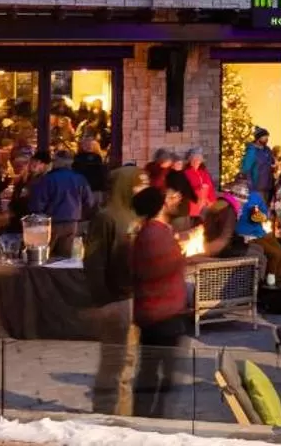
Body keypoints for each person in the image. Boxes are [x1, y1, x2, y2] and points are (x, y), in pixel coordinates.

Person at [83, 166, 141, 415]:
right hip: (116, 301)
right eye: (138, 185)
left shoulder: (135, 215)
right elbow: (94, 262)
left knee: (126, 365)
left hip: (133, 300)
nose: (142, 189)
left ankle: (122, 417)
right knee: (116, 366)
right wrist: (102, 301)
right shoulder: (107, 217)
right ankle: (109, 417)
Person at [129, 183, 190, 418]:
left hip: (162, 310)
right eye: (168, 198)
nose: (173, 201)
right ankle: (150, 418)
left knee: (158, 371)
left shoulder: (155, 231)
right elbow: (156, 269)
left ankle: (152, 416)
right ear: (159, 206)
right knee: (157, 371)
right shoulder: (153, 234)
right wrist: (181, 257)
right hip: (161, 313)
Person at [26, 150, 92, 257]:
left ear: (57, 162)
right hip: (72, 222)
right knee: (65, 257)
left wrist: (37, 217)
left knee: (46, 256)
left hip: (51, 222)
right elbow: (89, 201)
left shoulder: (48, 179)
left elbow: (37, 204)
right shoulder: (79, 179)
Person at [239, 128, 274, 203]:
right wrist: (251, 186)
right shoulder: (252, 151)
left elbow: (271, 162)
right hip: (257, 187)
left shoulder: (267, 149)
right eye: (264, 137)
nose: (267, 139)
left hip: (268, 186)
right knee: (260, 210)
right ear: (258, 138)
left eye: (267, 137)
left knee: (265, 208)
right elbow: (246, 169)